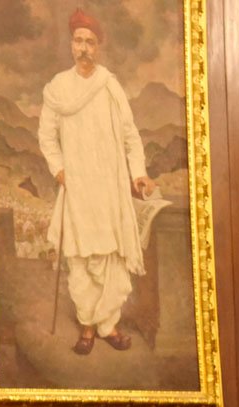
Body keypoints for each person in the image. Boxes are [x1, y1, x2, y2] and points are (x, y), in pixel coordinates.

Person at [38, 8, 156, 355]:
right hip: (77, 188)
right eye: (78, 41)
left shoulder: (110, 86)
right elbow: (46, 137)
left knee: (111, 258)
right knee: (81, 259)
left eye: (90, 42)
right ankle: (87, 327)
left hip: (110, 187)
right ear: (71, 45)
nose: (84, 48)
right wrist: (59, 169)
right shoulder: (58, 88)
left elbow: (131, 136)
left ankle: (109, 326)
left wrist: (138, 173)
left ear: (98, 47)